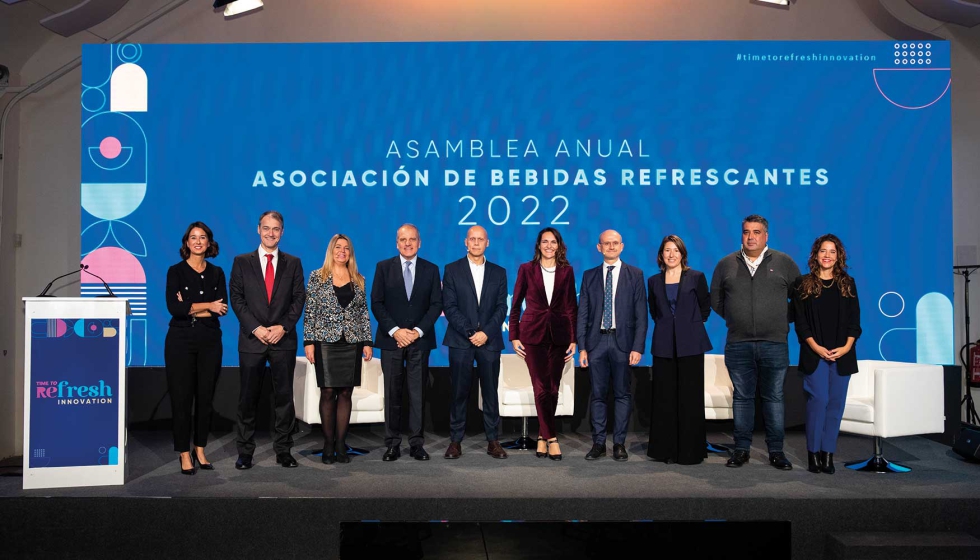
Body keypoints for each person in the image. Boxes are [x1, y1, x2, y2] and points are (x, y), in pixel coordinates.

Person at [711, 214, 801, 469]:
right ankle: (741, 450)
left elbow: (800, 298)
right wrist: (734, 318)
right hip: (738, 343)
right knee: (742, 398)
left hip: (774, 343)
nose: (751, 237)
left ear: (766, 236)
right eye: (746, 232)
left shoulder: (784, 263)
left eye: (756, 232)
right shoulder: (726, 264)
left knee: (773, 398)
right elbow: (716, 299)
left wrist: (782, 318)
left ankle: (776, 452)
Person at [229, 210, 306, 470]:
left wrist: (282, 327)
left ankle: (284, 450)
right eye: (266, 228)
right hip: (253, 340)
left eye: (276, 229)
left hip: (283, 340)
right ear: (258, 230)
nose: (270, 233)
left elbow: (298, 299)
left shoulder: (293, 263)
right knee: (247, 399)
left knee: (284, 398)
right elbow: (237, 299)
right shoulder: (242, 261)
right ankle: (245, 452)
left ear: (282, 232)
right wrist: (257, 328)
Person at [371, 224, 443, 462]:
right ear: (397, 243)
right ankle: (392, 444)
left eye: (412, 239)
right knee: (392, 394)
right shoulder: (383, 268)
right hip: (392, 341)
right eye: (403, 239)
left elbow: (436, 305)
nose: (408, 243)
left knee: (417, 395)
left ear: (419, 243)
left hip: (419, 342)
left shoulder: (431, 270)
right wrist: (395, 331)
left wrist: (417, 331)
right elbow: (377, 303)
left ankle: (416, 444)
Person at [792, 234, 861, 474]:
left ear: (838, 255)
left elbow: (855, 321)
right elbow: (800, 323)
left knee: (835, 405)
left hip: (843, 354)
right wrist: (816, 347)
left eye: (832, 251)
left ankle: (828, 454)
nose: (827, 256)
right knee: (818, 400)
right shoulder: (803, 284)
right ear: (816, 254)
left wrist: (846, 346)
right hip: (815, 354)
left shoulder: (847, 283)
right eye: (823, 251)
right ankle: (813, 453)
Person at [576, 230, 647, 461]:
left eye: (615, 243)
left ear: (622, 246)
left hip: (623, 343)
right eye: (606, 243)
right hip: (596, 343)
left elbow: (641, 315)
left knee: (622, 394)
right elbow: (583, 313)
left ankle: (619, 444)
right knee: (597, 395)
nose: (611, 246)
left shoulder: (635, 274)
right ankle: (598, 444)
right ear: (599, 247)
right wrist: (582, 347)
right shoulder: (589, 275)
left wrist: (638, 347)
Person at [303, 234, 373, 465]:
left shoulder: (359, 279)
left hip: (351, 342)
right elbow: (310, 311)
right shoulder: (317, 277)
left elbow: (363, 314)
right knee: (327, 392)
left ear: (350, 253)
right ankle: (328, 444)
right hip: (325, 341)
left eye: (346, 248)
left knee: (346, 393)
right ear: (331, 251)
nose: (342, 251)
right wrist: (308, 342)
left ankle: (341, 444)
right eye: (338, 247)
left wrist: (367, 342)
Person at [164, 222, 227, 475]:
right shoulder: (175, 271)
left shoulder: (217, 273)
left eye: (203, 237)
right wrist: (207, 305)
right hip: (180, 340)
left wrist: (193, 305)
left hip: (210, 340)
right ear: (186, 243)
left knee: (205, 398)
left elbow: (221, 308)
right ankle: (183, 452)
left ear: (209, 243)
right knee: (181, 399)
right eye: (193, 237)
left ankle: (200, 449)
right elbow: (175, 308)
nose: (198, 241)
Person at [509, 227, 578, 461]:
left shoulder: (567, 272)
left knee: (553, 388)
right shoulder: (526, 269)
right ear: (538, 245)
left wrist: (574, 339)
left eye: (553, 242)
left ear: (559, 246)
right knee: (540, 387)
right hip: (532, 336)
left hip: (559, 336)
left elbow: (571, 307)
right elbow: (516, 304)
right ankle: (552, 439)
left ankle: (541, 435)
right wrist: (514, 336)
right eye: (544, 242)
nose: (549, 246)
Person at [442, 225, 510, 460]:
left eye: (480, 239)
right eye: (472, 239)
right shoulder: (452, 269)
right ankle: (455, 442)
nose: (476, 242)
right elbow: (449, 307)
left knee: (491, 393)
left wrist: (486, 333)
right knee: (459, 393)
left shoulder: (499, 272)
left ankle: (493, 441)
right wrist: (472, 332)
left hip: (489, 342)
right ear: (466, 242)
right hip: (461, 341)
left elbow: (502, 307)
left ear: (487, 243)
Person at [646, 235, 712, 465]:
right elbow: (655, 311)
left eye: (675, 250)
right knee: (664, 398)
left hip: (691, 345)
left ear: (683, 254)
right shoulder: (653, 281)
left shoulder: (696, 277)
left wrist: (687, 327)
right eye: (667, 250)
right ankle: (665, 450)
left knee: (690, 398)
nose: (671, 254)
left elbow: (705, 307)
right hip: (664, 345)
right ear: (661, 255)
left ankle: (690, 451)